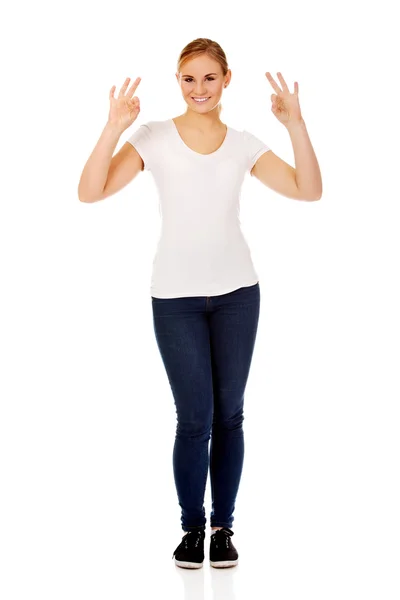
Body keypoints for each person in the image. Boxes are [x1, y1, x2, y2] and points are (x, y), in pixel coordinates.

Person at [78, 38, 322, 570]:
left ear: (227, 79)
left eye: (209, 78)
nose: (199, 89)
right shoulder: (154, 137)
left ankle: (223, 527)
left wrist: (295, 125)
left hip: (238, 294)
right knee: (194, 419)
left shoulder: (243, 144)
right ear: (178, 81)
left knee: (229, 417)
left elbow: (308, 189)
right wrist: (114, 126)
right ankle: (191, 530)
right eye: (189, 79)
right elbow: (90, 191)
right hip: (175, 299)